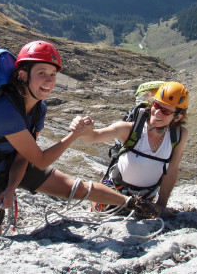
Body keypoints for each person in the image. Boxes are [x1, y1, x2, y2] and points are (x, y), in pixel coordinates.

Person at [0, 40, 159, 238]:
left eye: (53, 74)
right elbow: (40, 160)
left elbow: (23, 157)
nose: (49, 81)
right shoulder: (5, 112)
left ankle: (131, 203)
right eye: (41, 73)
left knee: (78, 188)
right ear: (23, 75)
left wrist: (11, 187)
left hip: (11, 163)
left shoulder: (38, 108)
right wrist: (74, 134)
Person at [71, 81, 189, 218]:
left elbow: (172, 170)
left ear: (178, 117)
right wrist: (84, 130)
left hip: (145, 201)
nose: (157, 113)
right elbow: (91, 138)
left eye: (165, 111)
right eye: (156, 105)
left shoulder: (179, 135)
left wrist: (162, 205)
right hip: (112, 195)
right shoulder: (129, 129)